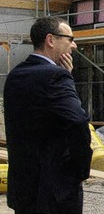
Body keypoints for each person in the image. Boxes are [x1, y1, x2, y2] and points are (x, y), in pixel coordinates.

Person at [3, 16, 93, 214]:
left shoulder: (15, 76)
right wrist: (81, 169)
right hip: (55, 191)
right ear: (51, 40)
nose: (74, 46)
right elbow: (77, 120)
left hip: (23, 189)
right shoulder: (56, 76)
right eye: (70, 39)